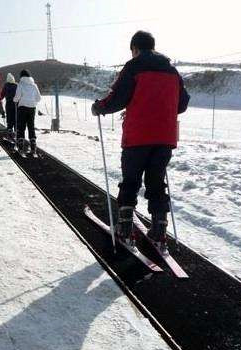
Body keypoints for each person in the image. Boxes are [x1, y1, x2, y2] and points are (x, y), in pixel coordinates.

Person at [91, 30, 190, 246]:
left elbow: (118, 97)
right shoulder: (172, 71)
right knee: (156, 181)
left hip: (138, 136)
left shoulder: (133, 66)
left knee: (131, 180)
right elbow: (182, 103)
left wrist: (100, 107)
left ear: (135, 48)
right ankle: (159, 229)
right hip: (165, 137)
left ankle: (124, 228)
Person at [13, 69, 41, 154]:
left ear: (21, 76)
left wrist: (14, 100)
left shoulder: (20, 84)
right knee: (31, 126)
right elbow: (38, 98)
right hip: (32, 108)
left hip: (22, 107)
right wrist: (32, 101)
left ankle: (21, 145)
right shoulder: (34, 85)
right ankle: (33, 145)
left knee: (21, 126)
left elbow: (17, 97)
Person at [1, 73, 18, 138]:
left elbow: (2, 95)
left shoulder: (6, 85)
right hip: (16, 104)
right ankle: (16, 132)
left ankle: (10, 132)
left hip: (8, 104)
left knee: (9, 118)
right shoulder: (16, 85)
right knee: (15, 118)